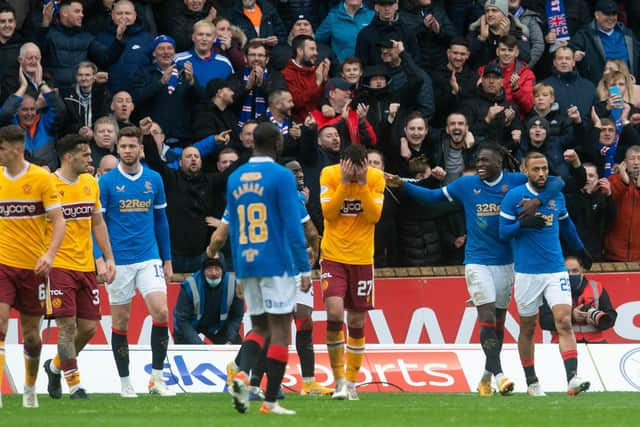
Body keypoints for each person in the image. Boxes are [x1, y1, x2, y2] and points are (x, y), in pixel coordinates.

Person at [385, 143, 564, 397]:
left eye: (484, 161)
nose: (479, 165)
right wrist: (404, 186)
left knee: (499, 323)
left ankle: (486, 377)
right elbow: (433, 198)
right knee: (487, 315)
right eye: (477, 161)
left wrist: (537, 201)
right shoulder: (465, 185)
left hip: (506, 261)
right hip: (477, 260)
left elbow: (557, 183)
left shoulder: (515, 181)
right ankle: (501, 375)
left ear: (499, 163)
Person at [208, 122, 311, 415]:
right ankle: (270, 403)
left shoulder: (236, 177)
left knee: (259, 327)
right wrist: (303, 268)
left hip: (247, 262)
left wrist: (238, 271)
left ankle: (240, 373)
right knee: (279, 330)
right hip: (277, 262)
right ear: (277, 143)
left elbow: (234, 227)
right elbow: (293, 224)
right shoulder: (281, 176)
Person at [499, 151, 592, 397]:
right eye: (536, 169)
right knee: (528, 328)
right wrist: (522, 224)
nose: (541, 174)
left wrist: (580, 249)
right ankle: (532, 382)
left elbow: (566, 225)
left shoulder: (556, 196)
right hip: (527, 273)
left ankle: (573, 378)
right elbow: (502, 233)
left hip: (555, 269)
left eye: (544, 169)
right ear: (525, 170)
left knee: (564, 321)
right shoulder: (514, 197)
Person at [97, 126, 175, 398]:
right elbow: (98, 224)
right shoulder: (106, 183)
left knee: (161, 312)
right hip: (118, 261)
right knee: (121, 322)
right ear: (118, 149)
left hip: (148, 256)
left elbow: (161, 221)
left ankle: (157, 379)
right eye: (124, 146)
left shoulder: (154, 180)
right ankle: (125, 382)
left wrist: (167, 259)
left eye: (133, 146)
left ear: (141, 149)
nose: (128, 151)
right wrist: (102, 258)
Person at [42, 134, 116, 400]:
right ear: (68, 157)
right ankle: (74, 385)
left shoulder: (89, 183)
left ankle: (53, 367)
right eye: (85, 154)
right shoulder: (48, 184)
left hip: (86, 266)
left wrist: (108, 258)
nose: (90, 158)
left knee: (89, 328)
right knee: (67, 327)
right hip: (58, 266)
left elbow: (97, 222)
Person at [0, 124, 65, 408]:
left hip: (34, 268)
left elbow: (59, 221)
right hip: (3, 263)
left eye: (1, 148)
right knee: (0, 321)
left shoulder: (41, 179)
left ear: (15, 148)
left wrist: (50, 255)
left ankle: (29, 386)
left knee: (31, 336)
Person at [320, 143, 384, 401]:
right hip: (333, 255)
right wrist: (346, 183)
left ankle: (352, 382)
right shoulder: (330, 174)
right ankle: (338, 382)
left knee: (356, 321)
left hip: (361, 258)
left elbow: (373, 216)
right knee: (334, 311)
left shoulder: (376, 178)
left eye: (360, 170)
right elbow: (329, 213)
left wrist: (364, 184)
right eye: (352, 170)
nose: (357, 174)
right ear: (343, 164)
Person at [539, 256, 617, 343]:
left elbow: (611, 318)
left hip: (596, 343)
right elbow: (544, 322)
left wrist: (596, 320)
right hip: (563, 343)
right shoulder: (551, 291)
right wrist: (572, 317)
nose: (571, 274)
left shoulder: (596, 287)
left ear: (582, 271)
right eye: (566, 271)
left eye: (575, 271)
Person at [173, 256, 244, 344]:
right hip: (188, 326)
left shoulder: (233, 284)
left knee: (235, 344)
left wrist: (230, 339)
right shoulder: (190, 285)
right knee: (190, 353)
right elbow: (182, 320)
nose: (213, 273)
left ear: (223, 270)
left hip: (218, 326)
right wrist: (199, 345)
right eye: (209, 269)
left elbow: (236, 316)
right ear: (203, 271)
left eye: (217, 269)